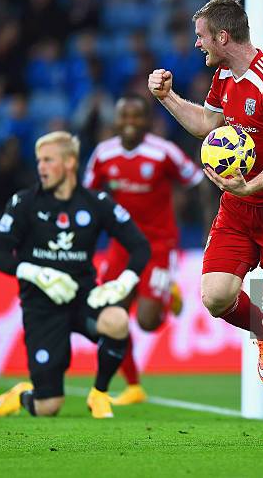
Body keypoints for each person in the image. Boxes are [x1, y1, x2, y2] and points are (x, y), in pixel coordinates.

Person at [148, 0, 263, 444]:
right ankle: (261, 331)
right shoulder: (224, 75)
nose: (197, 43)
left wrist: (246, 187)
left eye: (202, 36)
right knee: (216, 297)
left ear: (223, 36)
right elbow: (209, 124)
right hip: (240, 209)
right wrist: (166, 99)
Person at [0, 131, 151, 419]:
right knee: (49, 406)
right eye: (39, 161)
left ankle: (99, 393)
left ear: (70, 162)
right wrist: (36, 273)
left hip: (82, 297)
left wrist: (124, 283)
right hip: (41, 307)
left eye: (49, 160)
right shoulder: (24, 203)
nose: (41, 167)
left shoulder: (95, 202)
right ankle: (22, 395)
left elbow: (140, 246)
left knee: (118, 320)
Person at [83, 93, 204, 405]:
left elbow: (198, 182)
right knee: (111, 315)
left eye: (136, 117)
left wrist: (206, 224)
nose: (130, 123)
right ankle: (133, 386)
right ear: (116, 120)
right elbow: (86, 197)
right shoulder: (103, 154)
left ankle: (167, 294)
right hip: (121, 247)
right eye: (124, 116)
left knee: (147, 322)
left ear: (148, 121)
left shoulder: (164, 153)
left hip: (158, 245)